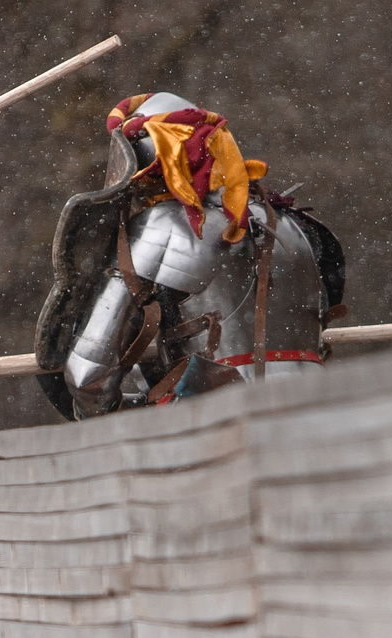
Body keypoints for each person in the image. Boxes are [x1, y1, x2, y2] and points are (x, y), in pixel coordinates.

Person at [35, 93, 347, 420]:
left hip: (217, 419)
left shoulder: (164, 227)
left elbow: (89, 375)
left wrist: (116, 418)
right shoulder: (293, 224)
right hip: (318, 407)